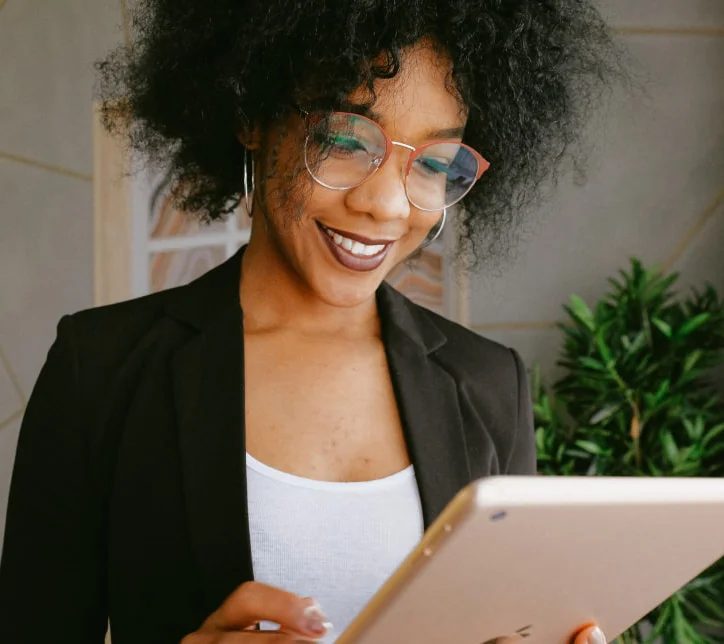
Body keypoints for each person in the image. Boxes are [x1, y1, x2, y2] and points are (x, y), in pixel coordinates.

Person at [0, 1, 623, 643]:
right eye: (346, 140)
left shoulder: (489, 382)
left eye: (435, 163)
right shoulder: (101, 368)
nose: (385, 204)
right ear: (252, 116)